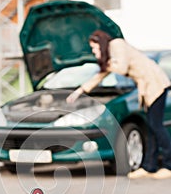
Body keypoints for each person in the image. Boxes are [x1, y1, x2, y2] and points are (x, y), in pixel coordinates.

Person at [66, 30, 171, 179]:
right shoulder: (111, 56)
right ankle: (149, 167)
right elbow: (101, 75)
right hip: (147, 88)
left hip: (156, 84)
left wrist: (104, 61)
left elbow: (121, 67)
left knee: (157, 126)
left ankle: (168, 166)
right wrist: (80, 91)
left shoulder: (117, 44)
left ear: (101, 44)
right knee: (151, 127)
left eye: (94, 48)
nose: (93, 51)